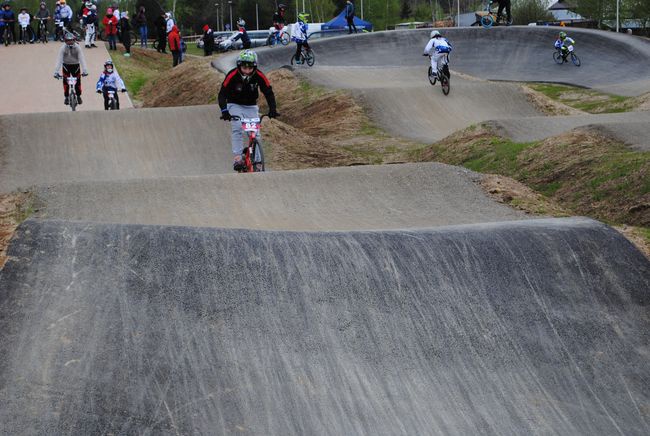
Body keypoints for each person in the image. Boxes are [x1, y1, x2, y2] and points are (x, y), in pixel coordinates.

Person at [218, 50, 279, 171]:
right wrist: (225, 111)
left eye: (250, 68)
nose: (246, 70)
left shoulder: (259, 75)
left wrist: (273, 109)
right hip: (234, 104)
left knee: (255, 133)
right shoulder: (232, 75)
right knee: (237, 127)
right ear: (239, 66)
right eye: (244, 67)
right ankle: (238, 158)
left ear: (254, 67)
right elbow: (222, 94)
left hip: (251, 106)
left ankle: (257, 162)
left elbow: (268, 92)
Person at [53, 32, 88, 105]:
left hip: (75, 65)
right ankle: (66, 97)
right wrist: (56, 72)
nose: (70, 42)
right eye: (68, 41)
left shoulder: (78, 47)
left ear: (74, 40)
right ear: (65, 41)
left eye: (71, 40)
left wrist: (85, 70)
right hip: (66, 65)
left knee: (78, 82)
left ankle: (78, 96)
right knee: (65, 83)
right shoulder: (63, 48)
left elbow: (82, 59)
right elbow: (59, 60)